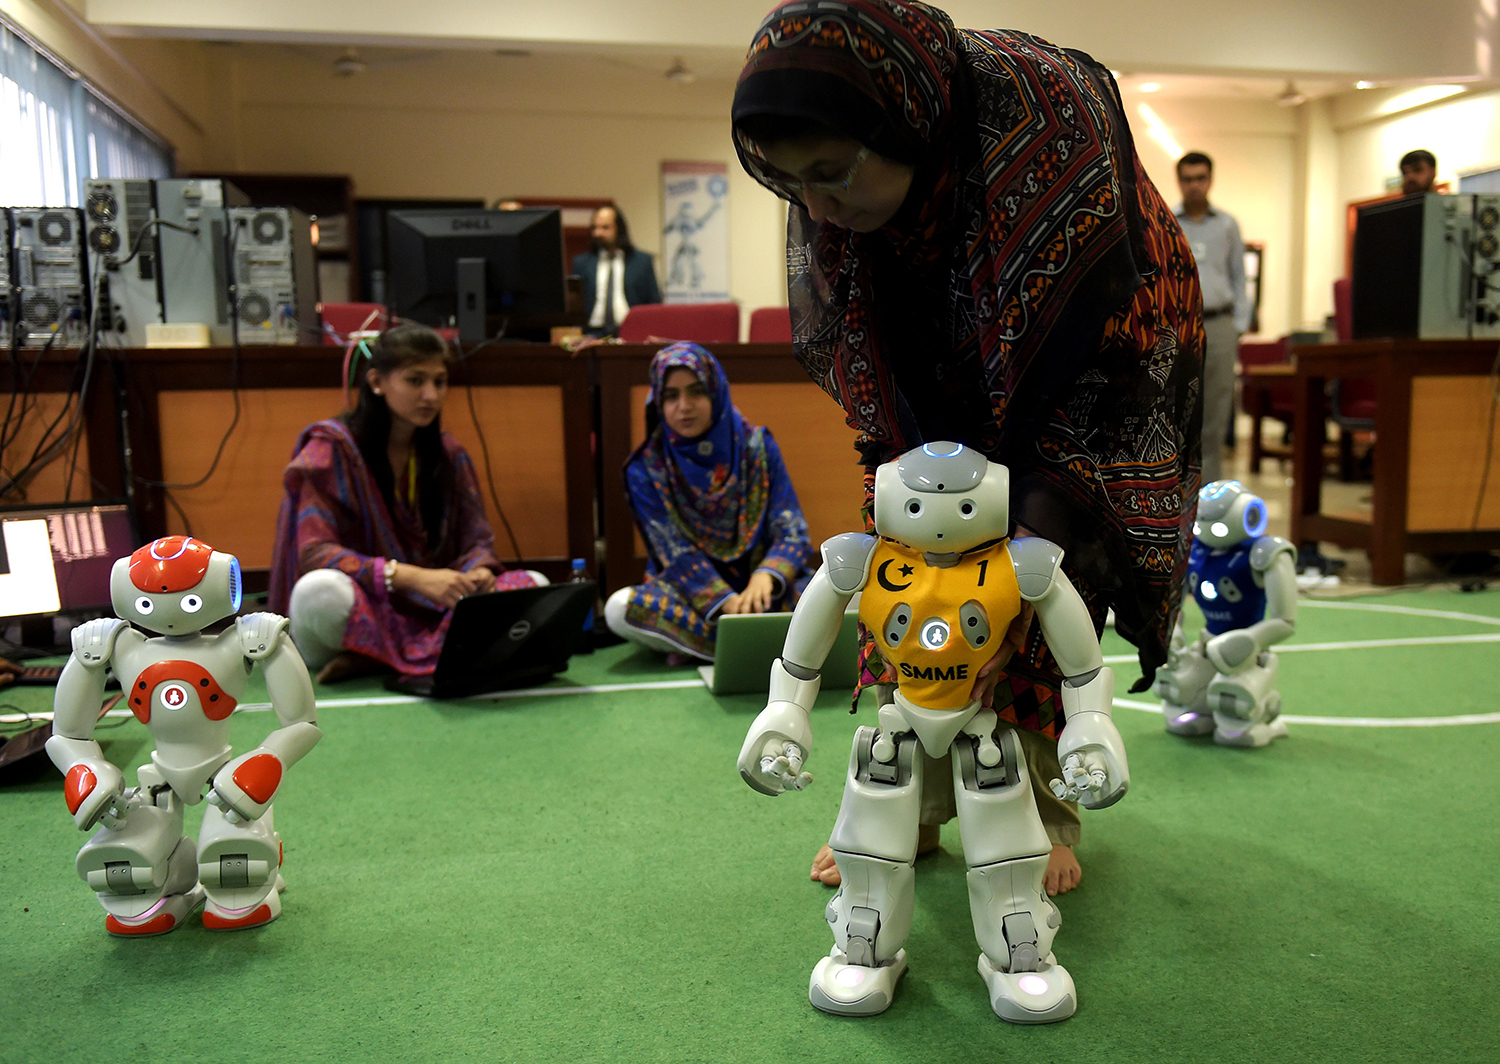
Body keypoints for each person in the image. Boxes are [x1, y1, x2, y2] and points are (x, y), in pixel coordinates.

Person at [732, 0, 1203, 895]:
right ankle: (901, 811)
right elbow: (878, 395)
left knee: (1030, 581)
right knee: (913, 579)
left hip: (1098, 365)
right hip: (947, 366)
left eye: (832, 175)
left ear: (906, 123)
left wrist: (1017, 547)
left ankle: (1037, 810)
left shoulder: (1045, 120)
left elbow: (1088, 382)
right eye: (793, 186)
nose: (818, 209)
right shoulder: (854, 224)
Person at [268, 323, 541, 683]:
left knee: (533, 584)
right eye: (416, 381)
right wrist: (408, 578)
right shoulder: (331, 448)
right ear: (377, 382)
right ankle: (411, 650)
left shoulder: (448, 453)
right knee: (318, 593)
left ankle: (375, 657)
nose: (430, 395)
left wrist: (478, 571)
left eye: (439, 382)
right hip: (365, 603)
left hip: (435, 605)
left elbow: (477, 540)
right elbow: (315, 553)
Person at [604, 343, 816, 662]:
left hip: (764, 593)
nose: (684, 406)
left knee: (833, 594)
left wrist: (766, 577)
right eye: (671, 396)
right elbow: (676, 554)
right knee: (618, 608)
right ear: (658, 402)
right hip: (694, 595)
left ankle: (713, 648)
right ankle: (768, 649)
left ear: (716, 392)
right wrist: (727, 604)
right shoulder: (646, 467)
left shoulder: (757, 447)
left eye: (697, 392)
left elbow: (792, 531)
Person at [1175, 151, 1250, 485]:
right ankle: (1175, 493)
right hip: (1178, 326)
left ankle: (1211, 494)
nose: (1194, 185)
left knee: (1216, 413)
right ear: (1179, 181)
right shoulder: (1167, 220)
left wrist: (1238, 326)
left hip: (1219, 326)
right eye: (1188, 179)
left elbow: (1239, 278)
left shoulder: (1227, 224)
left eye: (1200, 178)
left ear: (1210, 180)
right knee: (1178, 410)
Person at [571, 205, 662, 337]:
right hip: (593, 334)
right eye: (594, 228)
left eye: (605, 227)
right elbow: (574, 307)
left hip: (632, 332)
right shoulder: (581, 263)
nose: (598, 233)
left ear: (619, 229)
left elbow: (654, 303)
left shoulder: (642, 262)